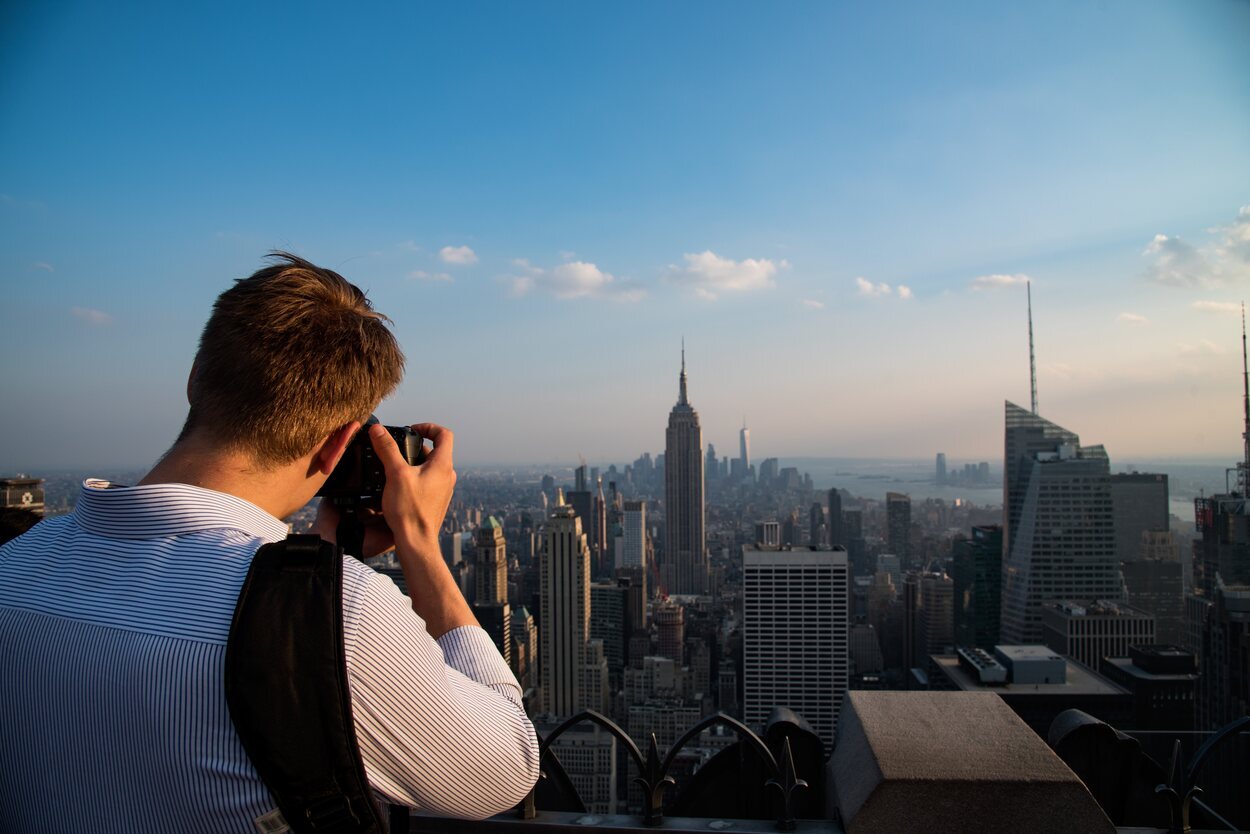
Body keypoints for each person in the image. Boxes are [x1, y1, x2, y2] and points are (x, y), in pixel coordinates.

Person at [0, 253, 540, 832]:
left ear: (194, 380)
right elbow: (506, 768)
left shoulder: (14, 561)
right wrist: (419, 543)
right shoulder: (347, 617)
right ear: (338, 446)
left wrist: (316, 559)